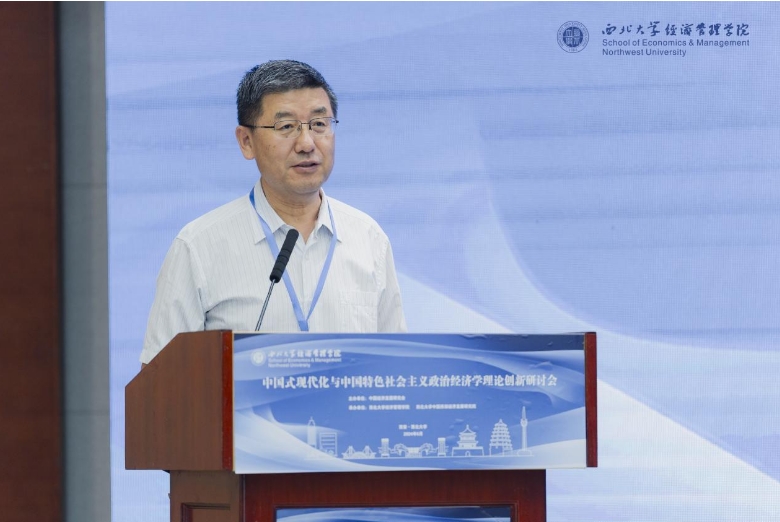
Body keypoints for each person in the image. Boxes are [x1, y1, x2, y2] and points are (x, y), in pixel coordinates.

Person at [140, 60, 406, 365]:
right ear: (246, 141)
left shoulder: (368, 238)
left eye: (319, 124)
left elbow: (396, 365)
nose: (306, 143)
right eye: (286, 127)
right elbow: (159, 380)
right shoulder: (198, 247)